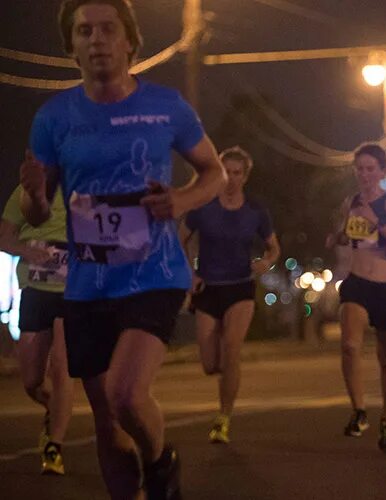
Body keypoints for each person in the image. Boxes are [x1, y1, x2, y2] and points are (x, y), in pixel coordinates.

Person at [20, 1, 226, 497]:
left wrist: (179, 200)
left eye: (107, 29)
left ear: (130, 41)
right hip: (89, 283)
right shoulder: (53, 117)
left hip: (153, 274)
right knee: (107, 424)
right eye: (84, 31)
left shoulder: (167, 106)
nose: (96, 40)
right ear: (71, 47)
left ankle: (160, 462)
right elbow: (36, 211)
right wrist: (33, 195)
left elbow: (214, 173)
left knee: (126, 394)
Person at [180, 146, 280, 444]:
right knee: (211, 363)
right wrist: (191, 273)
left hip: (241, 286)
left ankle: (223, 418)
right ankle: (229, 373)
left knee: (232, 347)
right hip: (208, 287)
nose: (232, 178)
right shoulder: (204, 206)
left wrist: (265, 261)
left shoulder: (256, 210)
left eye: (238, 173)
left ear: (245, 176)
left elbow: (274, 248)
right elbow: (179, 238)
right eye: (227, 172)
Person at [335, 144, 386, 453]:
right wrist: (338, 236)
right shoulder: (350, 202)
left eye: (371, 168)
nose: (364, 174)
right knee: (350, 345)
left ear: (382, 172)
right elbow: (348, 235)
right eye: (360, 168)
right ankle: (359, 411)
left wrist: (377, 223)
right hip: (356, 283)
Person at [0, 185, 73, 475]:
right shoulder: (26, 192)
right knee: (31, 379)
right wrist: (27, 251)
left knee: (61, 367)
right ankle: (51, 409)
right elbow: (4, 238)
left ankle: (55, 445)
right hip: (34, 289)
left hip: (71, 291)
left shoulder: (79, 186)